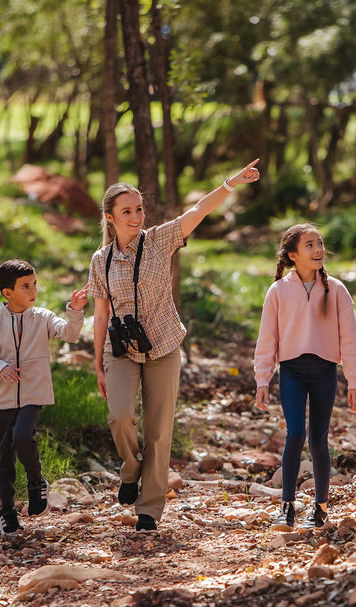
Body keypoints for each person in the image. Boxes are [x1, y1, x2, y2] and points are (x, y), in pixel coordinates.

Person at [88, 160, 260, 533]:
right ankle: (130, 470)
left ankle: (149, 510)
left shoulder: (160, 239)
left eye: (139, 209)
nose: (136, 217)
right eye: (127, 211)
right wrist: (97, 361)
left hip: (163, 345)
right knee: (119, 416)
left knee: (159, 430)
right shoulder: (100, 260)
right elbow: (101, 313)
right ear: (110, 217)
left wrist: (231, 182)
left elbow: (198, 210)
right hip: (121, 351)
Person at [254, 223, 356, 531]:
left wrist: (354, 380)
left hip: (325, 373)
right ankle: (286, 506)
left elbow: (350, 338)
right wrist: (262, 379)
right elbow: (267, 338)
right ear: (293, 255)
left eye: (320, 244)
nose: (318, 250)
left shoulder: (336, 290)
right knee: (294, 435)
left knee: (318, 441)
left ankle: (319, 507)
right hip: (291, 372)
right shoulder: (278, 291)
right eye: (310, 245)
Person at [0, 259, 88, 535]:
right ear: (8, 293)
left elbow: (70, 334)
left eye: (35, 284)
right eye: (25, 286)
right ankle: (6, 513)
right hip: (3, 398)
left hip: (33, 394)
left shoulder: (42, 317)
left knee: (21, 437)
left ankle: (36, 480)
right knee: (4, 455)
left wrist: (74, 311)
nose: (33, 290)